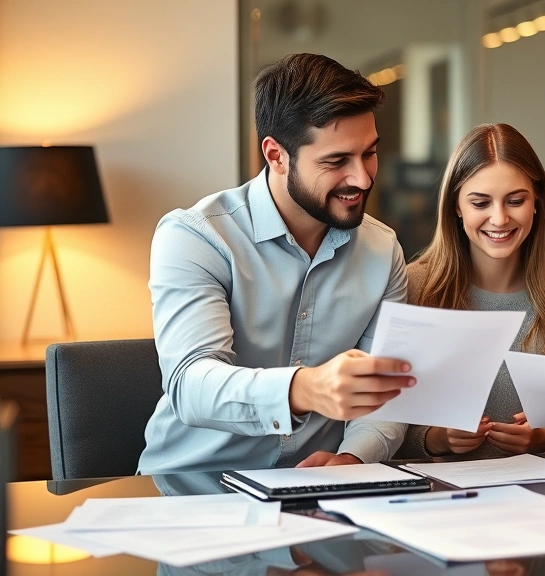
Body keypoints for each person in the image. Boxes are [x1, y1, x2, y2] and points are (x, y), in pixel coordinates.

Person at [138, 53, 414, 474]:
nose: (362, 178)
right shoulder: (195, 237)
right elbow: (191, 385)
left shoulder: (382, 248)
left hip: (320, 493)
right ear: (276, 154)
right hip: (194, 490)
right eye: (337, 161)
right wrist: (305, 388)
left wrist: (354, 457)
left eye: (370, 154)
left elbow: (386, 393)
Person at [395, 124, 545, 459]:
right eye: (480, 203)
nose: (500, 218)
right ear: (456, 207)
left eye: (516, 201)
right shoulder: (413, 286)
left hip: (540, 494)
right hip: (439, 495)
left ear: (537, 202)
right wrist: (437, 438)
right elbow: (383, 428)